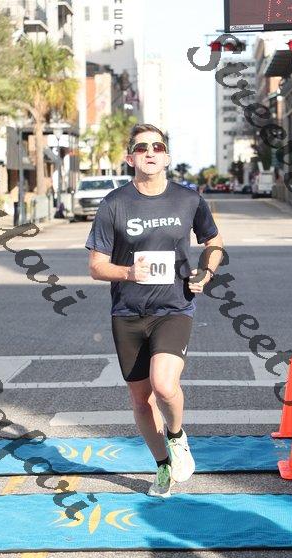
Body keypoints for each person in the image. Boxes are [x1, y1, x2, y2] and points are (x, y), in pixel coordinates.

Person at [86, 123, 224, 498]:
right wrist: (128, 272)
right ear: (130, 158)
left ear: (166, 157)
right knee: (141, 400)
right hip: (127, 313)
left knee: (164, 385)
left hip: (174, 307)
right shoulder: (114, 203)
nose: (150, 152)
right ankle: (162, 465)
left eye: (157, 147)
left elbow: (214, 242)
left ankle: (176, 437)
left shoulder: (188, 199)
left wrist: (206, 272)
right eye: (141, 147)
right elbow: (96, 266)